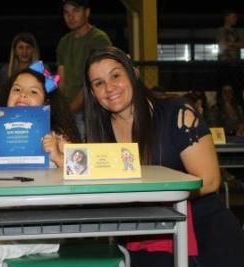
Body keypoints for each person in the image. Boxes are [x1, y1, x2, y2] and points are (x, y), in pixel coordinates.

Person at [83, 46, 244, 267]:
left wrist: (145, 195)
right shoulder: (98, 134)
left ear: (134, 74)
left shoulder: (177, 113)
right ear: (93, 93)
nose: (109, 88)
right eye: (99, 83)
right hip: (141, 236)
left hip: (205, 231)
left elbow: (210, 180)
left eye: (116, 75)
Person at [0, 60, 81, 170]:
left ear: (46, 102)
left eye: (33, 92)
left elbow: (79, 170)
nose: (23, 94)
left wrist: (58, 157)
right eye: (17, 89)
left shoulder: (57, 136)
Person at [56, 0, 112, 141]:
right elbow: (61, 78)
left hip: (91, 108)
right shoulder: (63, 42)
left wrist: (68, 110)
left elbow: (94, 80)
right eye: (66, 12)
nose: (71, 16)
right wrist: (59, 106)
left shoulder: (99, 39)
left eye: (76, 10)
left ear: (87, 12)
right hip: (69, 109)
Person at [0, 32, 40, 107]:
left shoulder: (42, 69)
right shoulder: (5, 71)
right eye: (21, 47)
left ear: (33, 50)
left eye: (28, 47)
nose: (24, 52)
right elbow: (0, 98)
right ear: (15, 50)